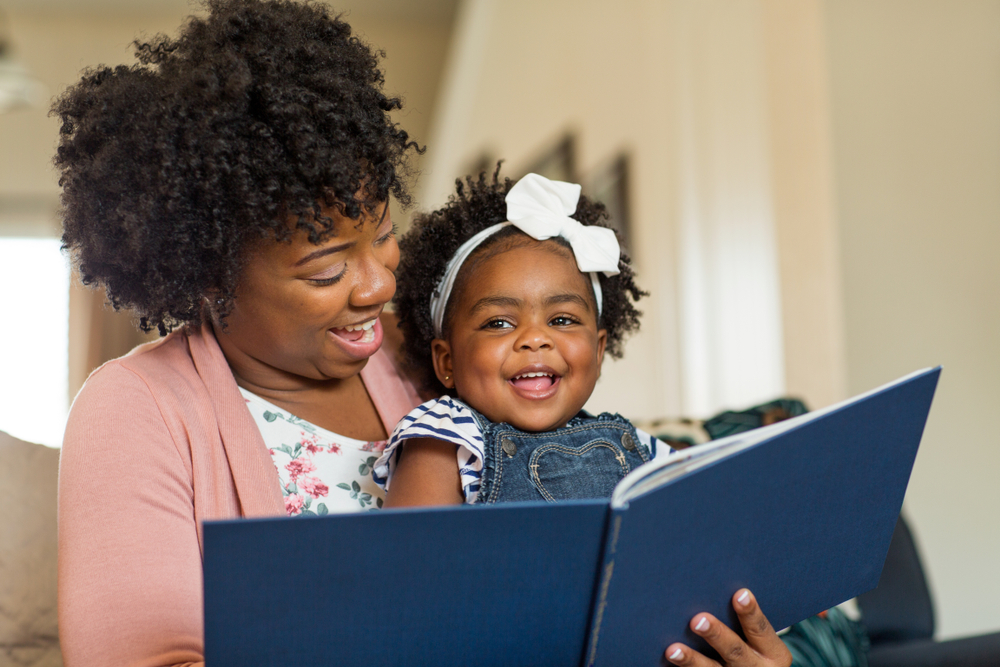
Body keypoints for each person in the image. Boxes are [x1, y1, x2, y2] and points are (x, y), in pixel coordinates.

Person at [53, 1, 790, 666]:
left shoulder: (429, 354)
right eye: (324, 268)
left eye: (381, 235)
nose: (377, 284)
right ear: (209, 278)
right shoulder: (135, 410)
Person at [374, 170, 671, 505]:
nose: (535, 339)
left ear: (599, 351)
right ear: (447, 361)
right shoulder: (446, 438)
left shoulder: (639, 446)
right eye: (499, 323)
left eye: (561, 319)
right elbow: (411, 553)